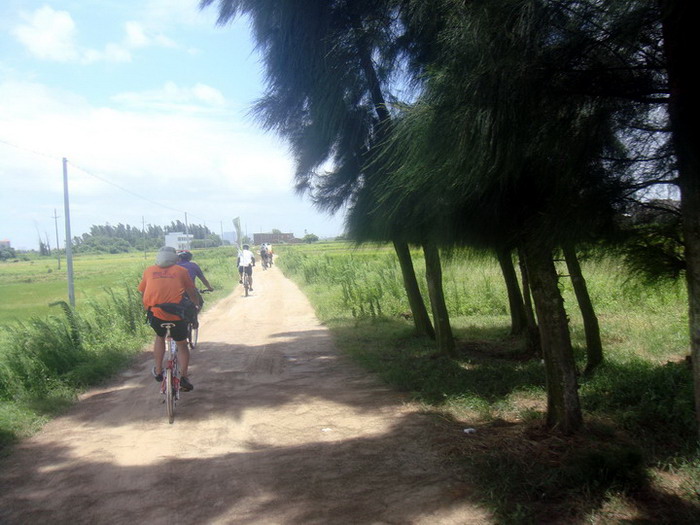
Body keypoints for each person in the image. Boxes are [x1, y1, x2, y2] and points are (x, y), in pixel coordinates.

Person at [138, 246, 200, 392]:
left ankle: (158, 370)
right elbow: (191, 292)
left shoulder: (149, 271)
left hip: (156, 314)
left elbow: (142, 291)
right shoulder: (181, 271)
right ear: (175, 258)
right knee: (182, 345)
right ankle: (184, 376)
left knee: (160, 337)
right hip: (176, 315)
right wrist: (196, 305)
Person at [177, 250, 214, 327]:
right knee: (199, 303)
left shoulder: (173, 266)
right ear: (189, 258)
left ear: (178, 258)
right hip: (191, 290)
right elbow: (203, 279)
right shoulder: (193, 265)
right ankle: (194, 318)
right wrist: (209, 287)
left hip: (175, 291)